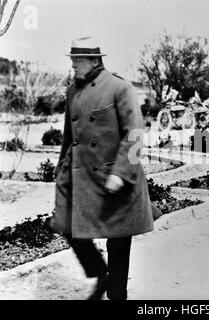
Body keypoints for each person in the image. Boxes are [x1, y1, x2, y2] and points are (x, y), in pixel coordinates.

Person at [49, 36, 159, 300]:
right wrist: (61, 166)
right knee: (66, 226)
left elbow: (134, 135)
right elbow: (68, 135)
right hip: (82, 175)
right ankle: (100, 273)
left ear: (94, 61)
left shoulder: (120, 88)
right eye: (72, 60)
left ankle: (117, 293)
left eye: (78, 60)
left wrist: (121, 173)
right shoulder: (73, 90)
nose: (73, 65)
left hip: (116, 176)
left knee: (119, 240)